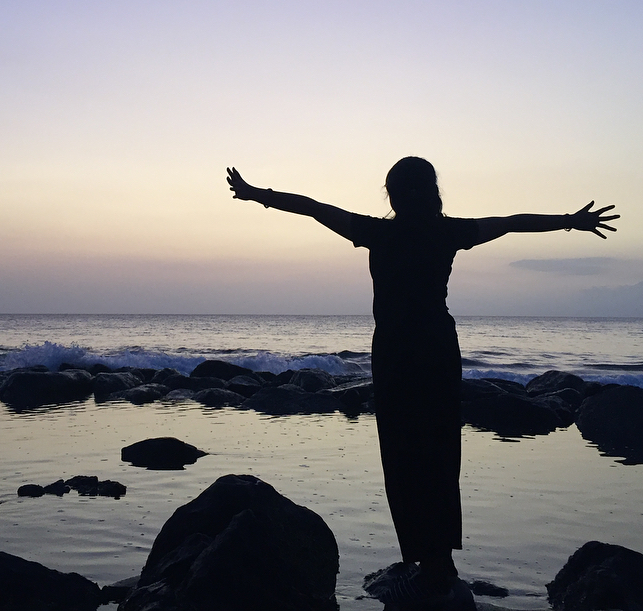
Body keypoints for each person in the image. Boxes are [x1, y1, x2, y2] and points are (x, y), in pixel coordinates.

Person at [226, 158, 618, 603]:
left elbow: (313, 207)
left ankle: (430, 566)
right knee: (439, 451)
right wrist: (570, 221)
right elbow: (511, 222)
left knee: (402, 453)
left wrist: (258, 195)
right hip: (435, 348)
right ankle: (438, 563)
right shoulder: (446, 232)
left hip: (396, 351)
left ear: (391, 193)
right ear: (432, 192)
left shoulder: (379, 232)